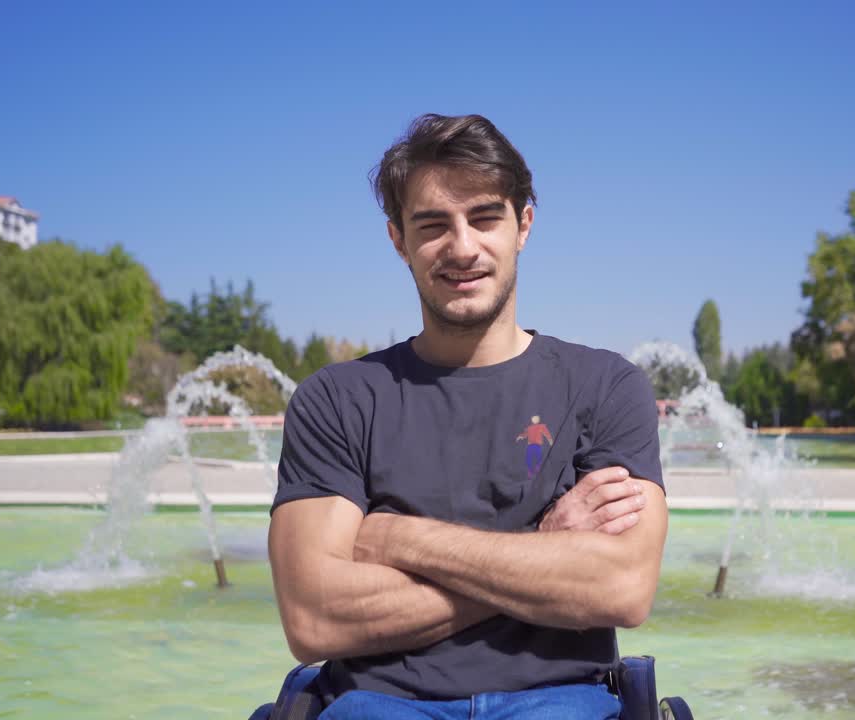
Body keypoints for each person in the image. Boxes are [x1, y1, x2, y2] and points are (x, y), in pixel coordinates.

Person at [268, 113, 668, 720]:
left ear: (523, 224)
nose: (462, 247)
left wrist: (400, 538)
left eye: (485, 217)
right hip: (379, 706)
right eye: (432, 226)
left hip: (565, 704)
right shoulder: (338, 399)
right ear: (398, 240)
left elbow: (621, 588)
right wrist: (543, 550)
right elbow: (314, 618)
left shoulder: (605, 386)